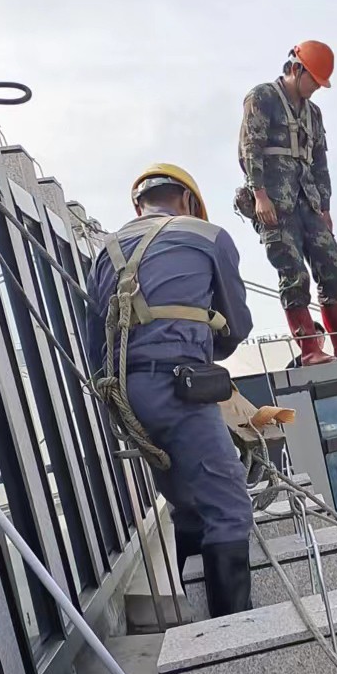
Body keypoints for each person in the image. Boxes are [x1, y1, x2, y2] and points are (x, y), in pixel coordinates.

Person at [85, 164, 254, 618]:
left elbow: (94, 341)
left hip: (130, 398)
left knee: (189, 506)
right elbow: (237, 326)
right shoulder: (207, 235)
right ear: (187, 201)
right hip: (181, 390)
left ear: (139, 206)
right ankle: (237, 640)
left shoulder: (105, 253)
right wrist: (204, 345)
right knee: (230, 505)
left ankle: (194, 631)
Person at [237, 40, 337, 367]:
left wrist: (324, 206)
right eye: (313, 79)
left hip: (308, 201)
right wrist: (259, 195)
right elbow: (249, 149)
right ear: (296, 68)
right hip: (275, 201)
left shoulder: (313, 114)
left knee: (332, 267)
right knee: (293, 272)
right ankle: (310, 348)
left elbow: (319, 161)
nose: (315, 88)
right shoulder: (263, 98)